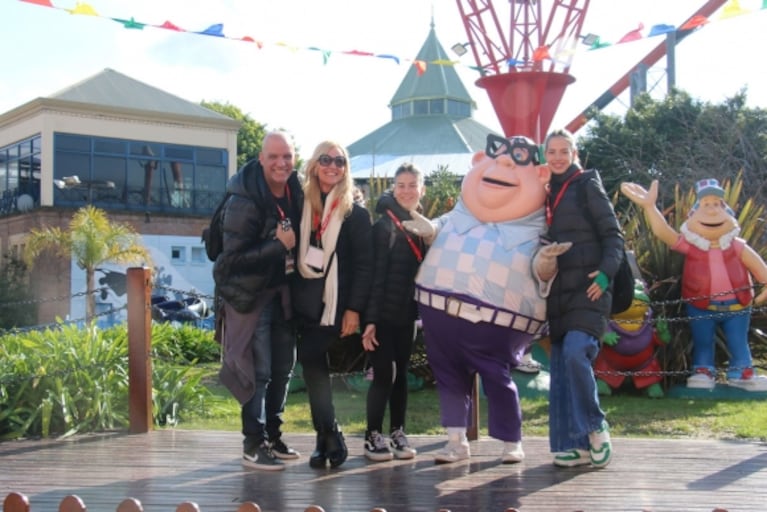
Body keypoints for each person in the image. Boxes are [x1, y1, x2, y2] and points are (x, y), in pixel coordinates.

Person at [404, 134, 568, 465]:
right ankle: (455, 440)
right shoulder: (460, 215)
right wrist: (427, 227)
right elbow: (438, 227)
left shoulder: (534, 229)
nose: (504, 163)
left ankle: (510, 441)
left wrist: (546, 261)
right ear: (479, 160)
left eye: (518, 160)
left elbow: (540, 269)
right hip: (441, 314)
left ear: (540, 176)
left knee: (497, 379)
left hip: (495, 322)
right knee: (448, 377)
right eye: (497, 156)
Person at [213, 130, 303, 471]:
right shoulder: (245, 199)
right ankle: (253, 443)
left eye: (288, 156)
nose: (281, 163)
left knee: (283, 368)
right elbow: (228, 262)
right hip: (251, 297)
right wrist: (277, 246)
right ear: (261, 158)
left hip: (281, 292)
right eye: (274, 156)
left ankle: (273, 437)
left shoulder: (293, 190)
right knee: (259, 371)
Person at [542, 128, 621, 469]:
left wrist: (606, 273)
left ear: (574, 153)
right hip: (559, 292)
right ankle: (575, 444)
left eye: (564, 150)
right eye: (552, 151)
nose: (558, 157)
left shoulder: (587, 183)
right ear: (545, 156)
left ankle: (595, 425)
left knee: (576, 352)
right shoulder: (545, 193)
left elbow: (613, 235)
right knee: (560, 365)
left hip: (591, 287)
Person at [294, 140, 374, 469]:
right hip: (304, 301)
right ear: (314, 165)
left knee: (314, 362)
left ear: (345, 168)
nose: (332, 166)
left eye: (339, 161)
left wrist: (354, 309)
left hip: (336, 304)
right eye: (325, 159)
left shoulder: (354, 212)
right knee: (314, 369)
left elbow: (365, 265)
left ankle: (329, 433)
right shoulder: (300, 205)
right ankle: (324, 436)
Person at [361, 163, 428, 462]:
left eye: (412, 185)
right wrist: (370, 321)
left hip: (407, 315)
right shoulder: (383, 226)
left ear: (421, 190)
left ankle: (398, 431)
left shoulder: (424, 227)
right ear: (393, 188)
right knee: (384, 375)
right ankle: (372, 434)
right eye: (400, 185)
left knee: (401, 374)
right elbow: (374, 277)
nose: (406, 190)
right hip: (382, 316)